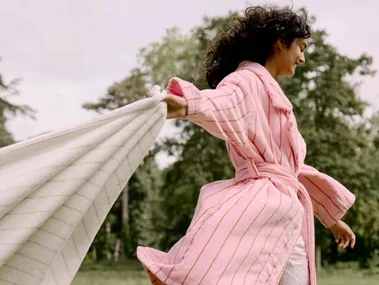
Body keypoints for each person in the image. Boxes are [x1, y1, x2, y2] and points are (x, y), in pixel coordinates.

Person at [137, 6, 356, 285]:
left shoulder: (269, 90)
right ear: (280, 41)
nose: (302, 58)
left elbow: (292, 171)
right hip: (262, 208)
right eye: (300, 47)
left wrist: (330, 217)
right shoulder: (246, 80)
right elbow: (225, 103)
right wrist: (187, 104)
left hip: (285, 213)